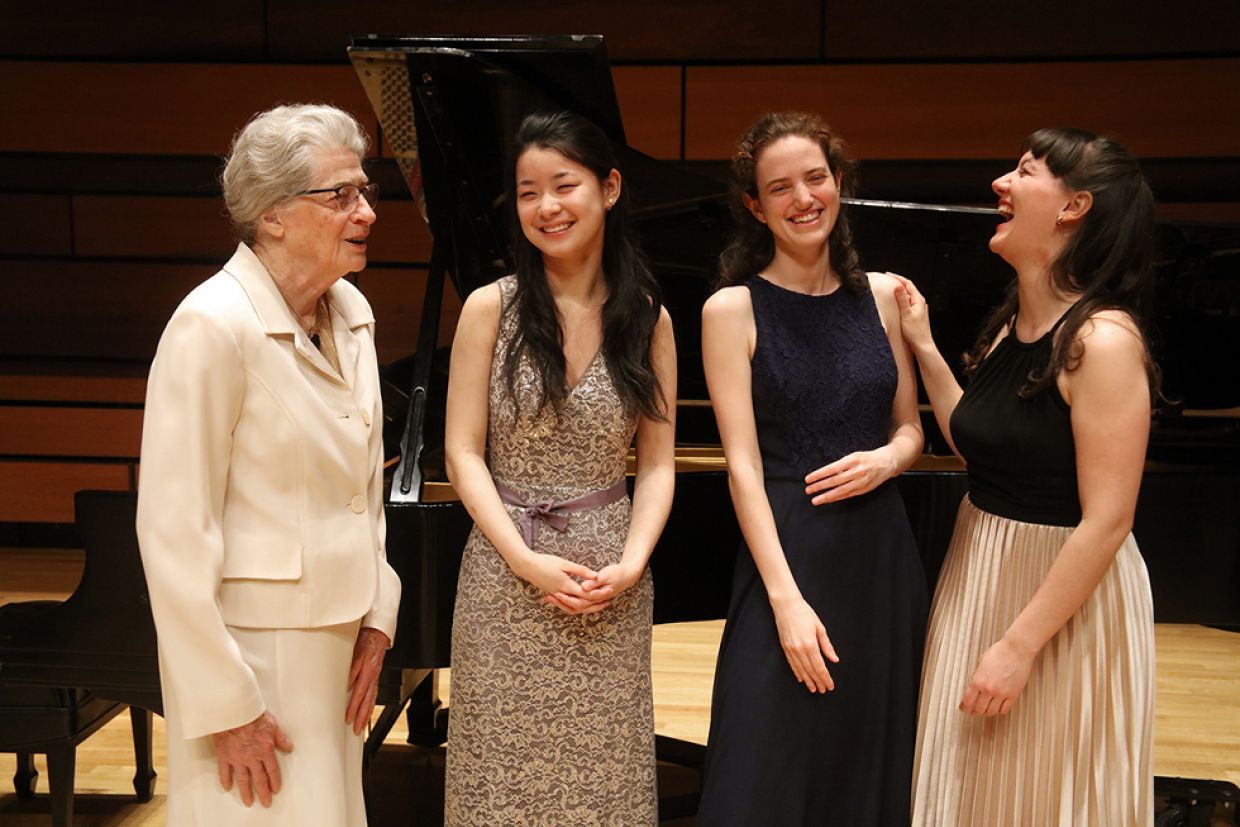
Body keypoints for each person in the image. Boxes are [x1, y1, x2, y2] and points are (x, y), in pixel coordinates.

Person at [135, 103, 400, 825]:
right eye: (340, 195)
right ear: (273, 215)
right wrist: (226, 703)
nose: (367, 213)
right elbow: (172, 533)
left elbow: (365, 492)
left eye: (364, 191)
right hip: (254, 663)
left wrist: (380, 609)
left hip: (341, 654)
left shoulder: (350, 313)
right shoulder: (210, 325)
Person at [899, 127, 1157, 826]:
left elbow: (1108, 518)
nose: (1000, 185)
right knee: (969, 788)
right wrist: (922, 345)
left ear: (1074, 206)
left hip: (1055, 603)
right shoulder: (1010, 324)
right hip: (979, 563)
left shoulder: (1102, 342)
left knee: (1046, 790)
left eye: (1023, 171)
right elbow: (978, 445)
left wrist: (1017, 646)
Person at [442, 111, 676, 826]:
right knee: (499, 774)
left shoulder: (647, 316)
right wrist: (524, 559)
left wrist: (632, 562)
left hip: (612, 579)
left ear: (608, 188)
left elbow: (659, 465)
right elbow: (461, 451)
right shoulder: (490, 308)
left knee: (604, 775)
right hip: (505, 576)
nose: (546, 206)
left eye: (563, 185)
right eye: (527, 191)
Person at [696, 111, 929, 825]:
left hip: (881, 558)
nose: (803, 198)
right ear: (754, 206)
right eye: (780, 187)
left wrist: (890, 458)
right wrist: (785, 600)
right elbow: (740, 467)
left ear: (839, 183)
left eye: (816, 178)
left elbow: (911, 427)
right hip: (788, 555)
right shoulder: (730, 308)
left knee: (867, 769)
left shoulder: (888, 296)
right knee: (761, 769)